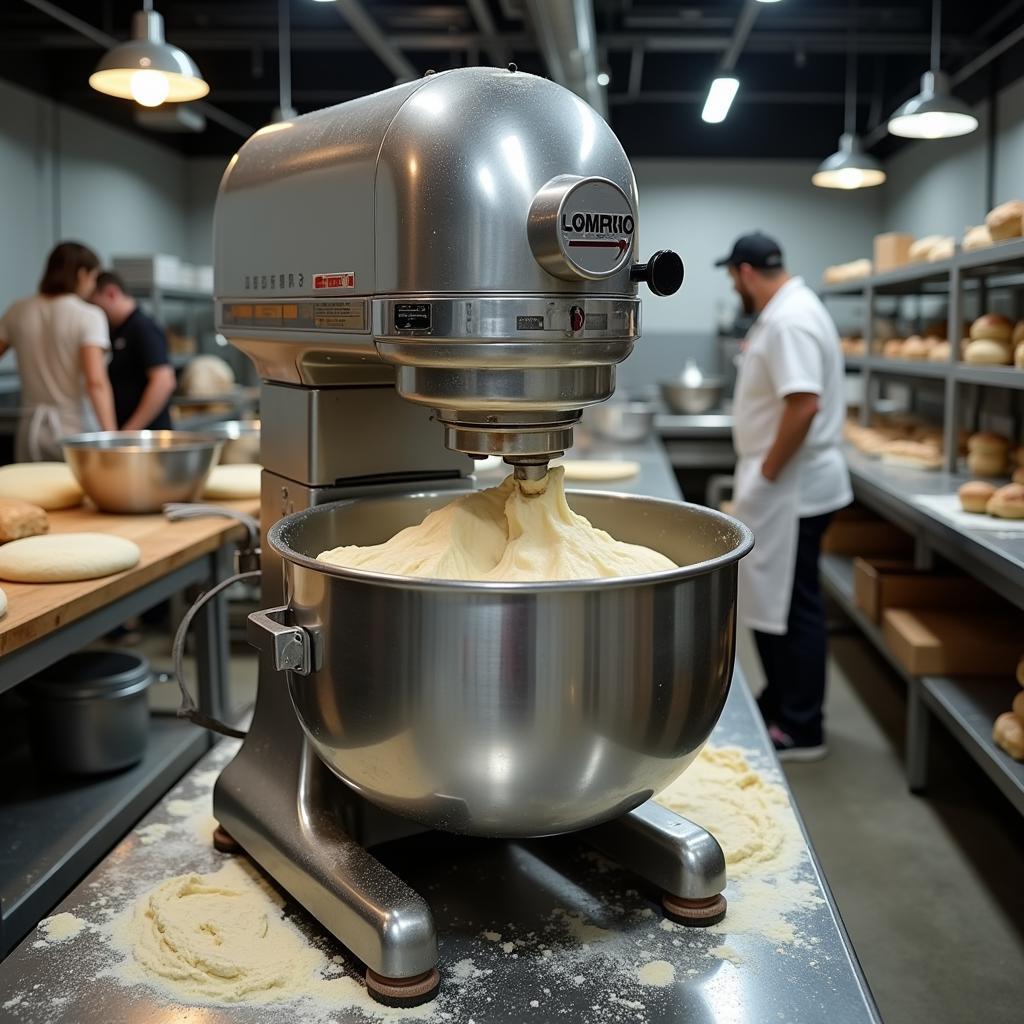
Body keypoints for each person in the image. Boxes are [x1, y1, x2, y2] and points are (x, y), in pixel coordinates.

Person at [715, 232, 852, 761]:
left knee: (795, 605)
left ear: (746, 272)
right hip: (783, 482)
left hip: (791, 486)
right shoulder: (790, 311)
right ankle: (779, 701)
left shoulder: (791, 319)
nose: (734, 284)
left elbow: (803, 405)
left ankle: (801, 725)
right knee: (777, 598)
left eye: (733, 275)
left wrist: (767, 473)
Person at [0, 242, 116, 461]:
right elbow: (96, 382)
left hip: (30, 431)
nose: (92, 286)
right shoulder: (89, 316)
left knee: (31, 492)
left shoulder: (17, 310)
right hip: (74, 430)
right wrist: (113, 437)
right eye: (93, 278)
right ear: (82, 274)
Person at [89, 271, 176, 431]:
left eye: (95, 305)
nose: (95, 312)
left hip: (147, 436)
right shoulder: (116, 330)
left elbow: (164, 381)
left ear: (111, 293)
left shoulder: (142, 327)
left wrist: (130, 431)